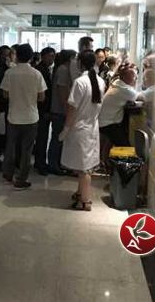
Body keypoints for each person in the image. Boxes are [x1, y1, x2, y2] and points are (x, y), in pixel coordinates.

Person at [59, 50, 105, 211]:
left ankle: (85, 201)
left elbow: (72, 109)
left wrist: (65, 129)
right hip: (91, 127)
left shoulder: (80, 82)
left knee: (84, 168)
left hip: (79, 128)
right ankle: (80, 193)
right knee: (85, 165)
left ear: (80, 63)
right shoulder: (100, 81)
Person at [0, 43, 47, 188]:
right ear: (31, 57)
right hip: (31, 117)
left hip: (13, 116)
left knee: (10, 147)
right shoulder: (36, 74)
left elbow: (5, 94)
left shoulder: (10, 73)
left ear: (17, 56)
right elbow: (42, 97)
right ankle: (21, 179)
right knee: (27, 150)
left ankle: (8, 174)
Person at [47, 50, 76, 175]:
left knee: (59, 139)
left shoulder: (63, 69)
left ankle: (57, 163)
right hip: (59, 111)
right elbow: (62, 92)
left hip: (60, 110)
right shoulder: (63, 70)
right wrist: (67, 109)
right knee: (58, 138)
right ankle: (54, 164)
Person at [98, 63, 138, 146]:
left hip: (103, 121)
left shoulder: (117, 83)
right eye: (134, 77)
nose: (136, 79)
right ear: (126, 78)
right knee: (125, 146)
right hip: (107, 124)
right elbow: (142, 97)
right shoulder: (124, 90)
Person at [34, 47, 56, 175]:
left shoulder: (47, 69)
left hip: (44, 109)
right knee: (41, 138)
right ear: (43, 56)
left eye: (53, 56)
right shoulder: (40, 70)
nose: (52, 58)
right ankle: (40, 164)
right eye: (50, 56)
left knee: (43, 137)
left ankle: (40, 162)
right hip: (41, 109)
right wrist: (45, 111)